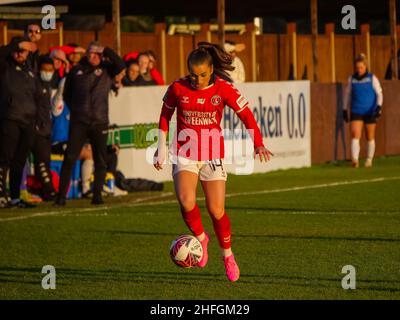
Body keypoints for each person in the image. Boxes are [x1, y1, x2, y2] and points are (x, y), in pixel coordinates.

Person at [153, 42, 272, 282]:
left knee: (216, 210)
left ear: (211, 70)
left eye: (203, 75)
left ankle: (227, 255)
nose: (197, 80)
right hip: (185, 152)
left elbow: (246, 115)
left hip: (212, 154)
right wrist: (161, 147)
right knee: (186, 201)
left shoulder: (224, 89)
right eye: (193, 75)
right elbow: (165, 115)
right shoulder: (177, 87)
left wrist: (257, 142)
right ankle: (201, 237)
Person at [54, 41, 125, 206]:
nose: (95, 56)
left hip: (99, 121)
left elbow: (120, 64)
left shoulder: (107, 69)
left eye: (98, 54)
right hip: (79, 122)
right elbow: (67, 94)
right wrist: (78, 111)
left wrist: (106, 49)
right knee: (70, 157)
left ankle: (97, 195)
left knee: (100, 159)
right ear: (86, 53)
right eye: (92, 53)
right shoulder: (77, 70)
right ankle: (61, 197)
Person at [0, 37, 41, 208]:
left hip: (28, 121)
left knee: (19, 161)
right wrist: (15, 46)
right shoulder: (5, 66)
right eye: (18, 50)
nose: (20, 54)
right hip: (10, 118)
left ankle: (15, 197)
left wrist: (38, 119)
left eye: (23, 51)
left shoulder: (30, 70)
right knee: (3, 159)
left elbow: (37, 96)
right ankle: (1, 195)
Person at [343, 53, 383, 168]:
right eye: (357, 68)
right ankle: (355, 160)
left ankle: (369, 159)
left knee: (370, 136)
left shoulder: (372, 78)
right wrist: (344, 109)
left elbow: (379, 93)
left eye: (361, 67)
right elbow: (347, 94)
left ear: (365, 67)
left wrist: (378, 107)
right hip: (356, 110)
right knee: (355, 134)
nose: (359, 70)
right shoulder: (352, 79)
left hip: (370, 111)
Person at [32, 55, 57, 201]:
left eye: (50, 69)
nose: (48, 72)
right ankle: (49, 190)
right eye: (45, 69)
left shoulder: (47, 85)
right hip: (37, 129)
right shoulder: (34, 83)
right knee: (41, 161)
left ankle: (43, 190)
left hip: (46, 128)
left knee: (45, 161)